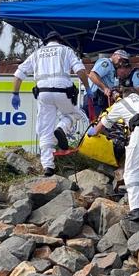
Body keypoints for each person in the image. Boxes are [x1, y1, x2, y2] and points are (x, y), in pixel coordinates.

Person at [11, 31, 92, 176]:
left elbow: (18, 75)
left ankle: (48, 166)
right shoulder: (66, 50)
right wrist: (87, 88)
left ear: (46, 41)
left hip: (43, 93)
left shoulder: (36, 53)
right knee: (74, 113)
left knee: (44, 129)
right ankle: (61, 128)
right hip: (63, 91)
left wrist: (15, 94)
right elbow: (80, 70)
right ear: (59, 40)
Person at [87, 89, 139, 222]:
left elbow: (103, 124)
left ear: (123, 96)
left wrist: (92, 133)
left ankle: (135, 209)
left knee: (132, 171)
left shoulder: (121, 103)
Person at [84, 50, 129, 117]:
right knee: (97, 124)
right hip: (95, 98)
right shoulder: (106, 63)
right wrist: (105, 88)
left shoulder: (112, 68)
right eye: (120, 59)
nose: (121, 63)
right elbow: (92, 75)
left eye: (124, 62)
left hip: (100, 100)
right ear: (114, 55)